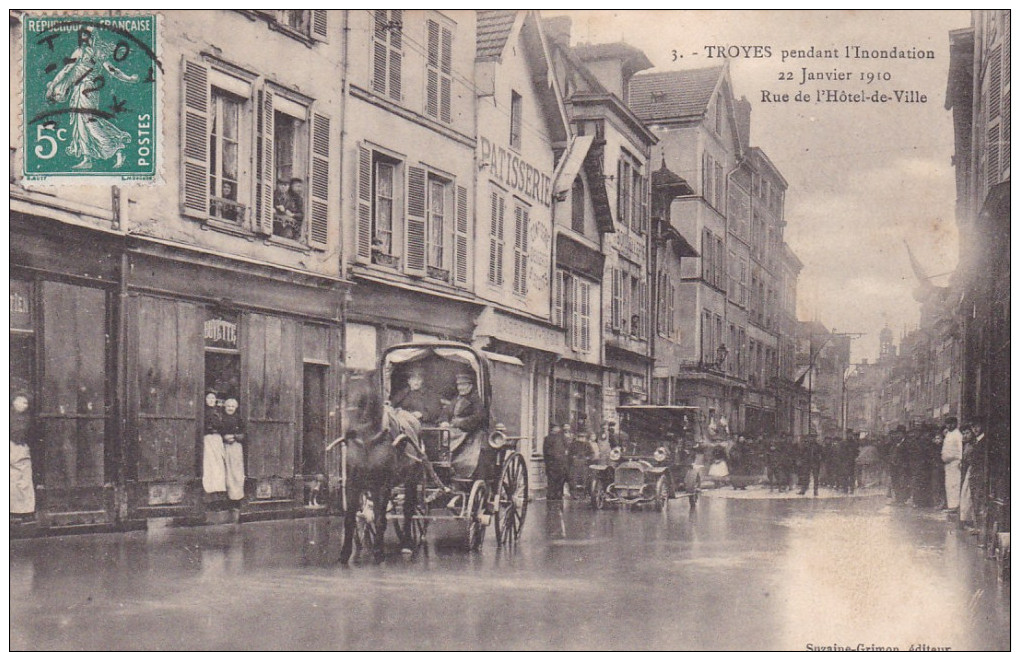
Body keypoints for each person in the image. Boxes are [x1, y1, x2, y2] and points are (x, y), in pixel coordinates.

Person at [45, 27, 139, 169]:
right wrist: (129, 78)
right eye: (82, 35)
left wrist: (53, 86)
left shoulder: (86, 52)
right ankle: (87, 158)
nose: (83, 38)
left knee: (89, 122)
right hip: (83, 89)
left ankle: (117, 148)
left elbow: (66, 71)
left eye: (85, 35)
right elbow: (67, 70)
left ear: (91, 36)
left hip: (86, 89)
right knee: (82, 122)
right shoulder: (90, 52)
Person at [440, 373, 486, 478]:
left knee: (447, 437)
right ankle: (442, 462)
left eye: (463, 385)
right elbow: (445, 413)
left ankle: (448, 461)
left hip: (468, 432)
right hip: (454, 430)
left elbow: (479, 417)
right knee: (440, 435)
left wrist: (460, 422)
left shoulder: (476, 400)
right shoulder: (456, 400)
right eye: (459, 385)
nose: (461, 388)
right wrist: (444, 421)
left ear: (470, 386)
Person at [10, 383, 35, 517]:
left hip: (21, 448)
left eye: (26, 403)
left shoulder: (27, 419)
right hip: (12, 447)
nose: (23, 405)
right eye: (20, 401)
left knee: (22, 478)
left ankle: (23, 509)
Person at [941, 416, 963, 519]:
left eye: (950, 424)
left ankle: (955, 506)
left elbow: (960, 448)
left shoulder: (958, 435)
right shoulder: (948, 434)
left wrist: (960, 460)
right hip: (948, 464)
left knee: (955, 485)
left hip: (955, 463)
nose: (948, 426)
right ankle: (951, 506)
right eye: (947, 424)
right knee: (949, 485)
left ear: (955, 424)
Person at [543, 425, 568, 500]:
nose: (557, 429)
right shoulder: (548, 438)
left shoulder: (562, 438)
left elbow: (566, 448)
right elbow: (546, 451)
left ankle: (557, 493)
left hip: (559, 461)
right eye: (556, 428)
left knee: (559, 478)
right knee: (552, 478)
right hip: (553, 461)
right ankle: (553, 494)